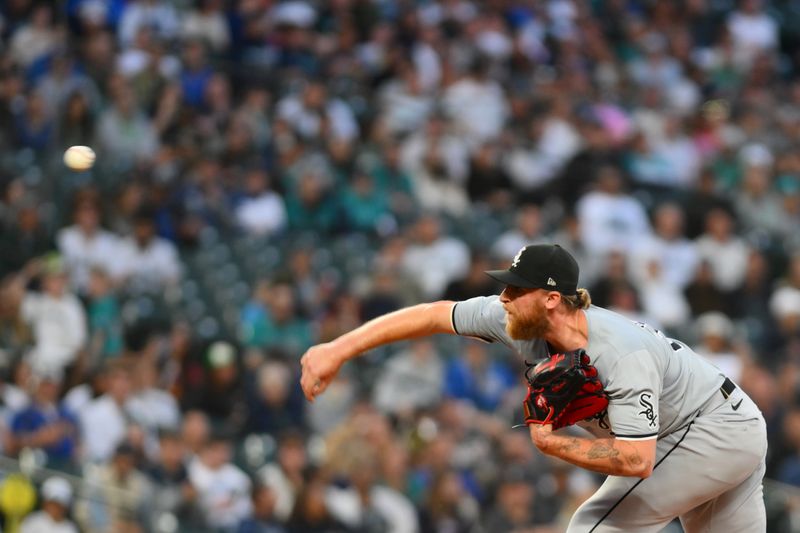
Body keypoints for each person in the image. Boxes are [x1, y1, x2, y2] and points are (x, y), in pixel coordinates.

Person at [300, 243, 767, 532]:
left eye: (514, 289)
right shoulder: (515, 320)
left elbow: (637, 461)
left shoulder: (620, 353)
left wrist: (551, 444)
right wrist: (338, 348)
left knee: (593, 526)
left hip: (707, 429)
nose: (503, 297)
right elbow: (432, 314)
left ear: (549, 299)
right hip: (719, 428)